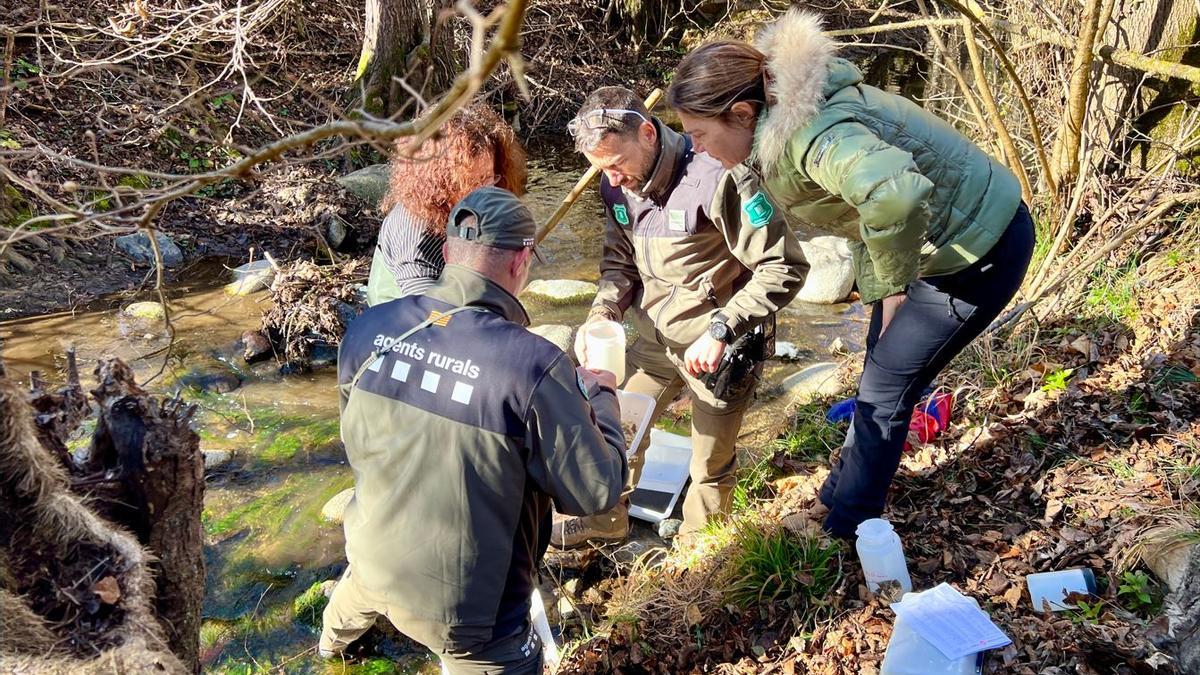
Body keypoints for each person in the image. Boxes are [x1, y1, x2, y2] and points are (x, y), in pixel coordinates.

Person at [665, 9, 1036, 538]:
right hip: (943, 241)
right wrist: (885, 290)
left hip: (980, 247)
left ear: (743, 114)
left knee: (886, 390)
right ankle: (835, 498)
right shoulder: (783, 126)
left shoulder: (812, 136)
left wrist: (895, 284)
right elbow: (861, 216)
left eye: (700, 134)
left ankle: (844, 530)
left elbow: (896, 196)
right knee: (879, 369)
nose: (697, 149)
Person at [321, 187, 628, 673]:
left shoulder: (369, 327)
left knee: (357, 597)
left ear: (446, 252)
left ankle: (327, 651)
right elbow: (595, 490)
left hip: (370, 557)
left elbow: (354, 437)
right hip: (471, 618)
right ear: (521, 261)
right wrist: (602, 395)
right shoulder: (534, 366)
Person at [551, 86, 808, 548]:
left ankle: (697, 552)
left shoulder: (720, 177)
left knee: (709, 461)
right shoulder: (616, 187)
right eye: (601, 169)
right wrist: (603, 310)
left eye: (616, 164)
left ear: (648, 134)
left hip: (718, 348)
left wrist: (723, 327)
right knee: (614, 428)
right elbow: (619, 262)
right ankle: (607, 519)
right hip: (654, 340)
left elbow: (785, 266)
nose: (613, 179)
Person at [366, 104, 527, 305]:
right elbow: (428, 316)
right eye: (471, 183)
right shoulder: (416, 239)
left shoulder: (471, 204)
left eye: (487, 177)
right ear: (440, 182)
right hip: (405, 315)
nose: (484, 191)